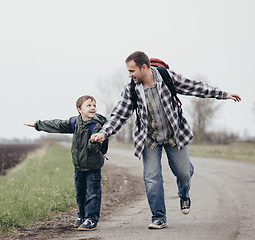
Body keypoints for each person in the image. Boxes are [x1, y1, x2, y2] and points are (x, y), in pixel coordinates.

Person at [91, 51, 241, 229]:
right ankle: (158, 217)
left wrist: (223, 94)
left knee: (184, 174)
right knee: (152, 178)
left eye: (132, 71)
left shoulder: (166, 77)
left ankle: (184, 194)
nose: (130, 75)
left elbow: (195, 87)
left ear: (144, 67)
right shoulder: (131, 88)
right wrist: (104, 133)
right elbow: (119, 115)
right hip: (149, 138)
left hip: (173, 136)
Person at [24, 95, 107, 231]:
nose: (92, 108)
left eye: (94, 105)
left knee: (92, 193)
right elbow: (57, 125)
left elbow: (95, 149)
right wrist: (38, 125)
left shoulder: (96, 126)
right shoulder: (75, 122)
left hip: (93, 167)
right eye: (89, 105)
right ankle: (81, 215)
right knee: (80, 193)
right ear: (79, 109)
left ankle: (91, 219)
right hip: (78, 166)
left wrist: (94, 141)